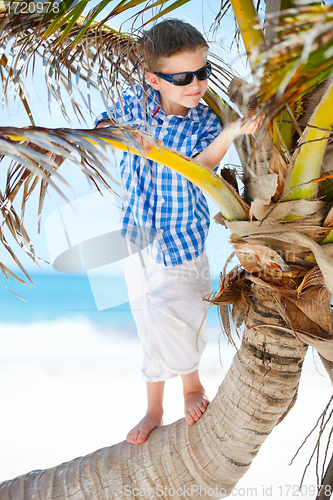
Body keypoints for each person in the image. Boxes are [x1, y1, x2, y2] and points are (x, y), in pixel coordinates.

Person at [95, 19, 263, 445]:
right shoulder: (135, 102)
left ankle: (192, 386)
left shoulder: (204, 122)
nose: (196, 84)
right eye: (182, 77)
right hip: (136, 237)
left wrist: (230, 132)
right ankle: (153, 408)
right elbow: (104, 127)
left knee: (181, 316)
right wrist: (125, 136)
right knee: (147, 320)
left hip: (182, 242)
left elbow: (203, 166)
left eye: (202, 73)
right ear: (154, 79)